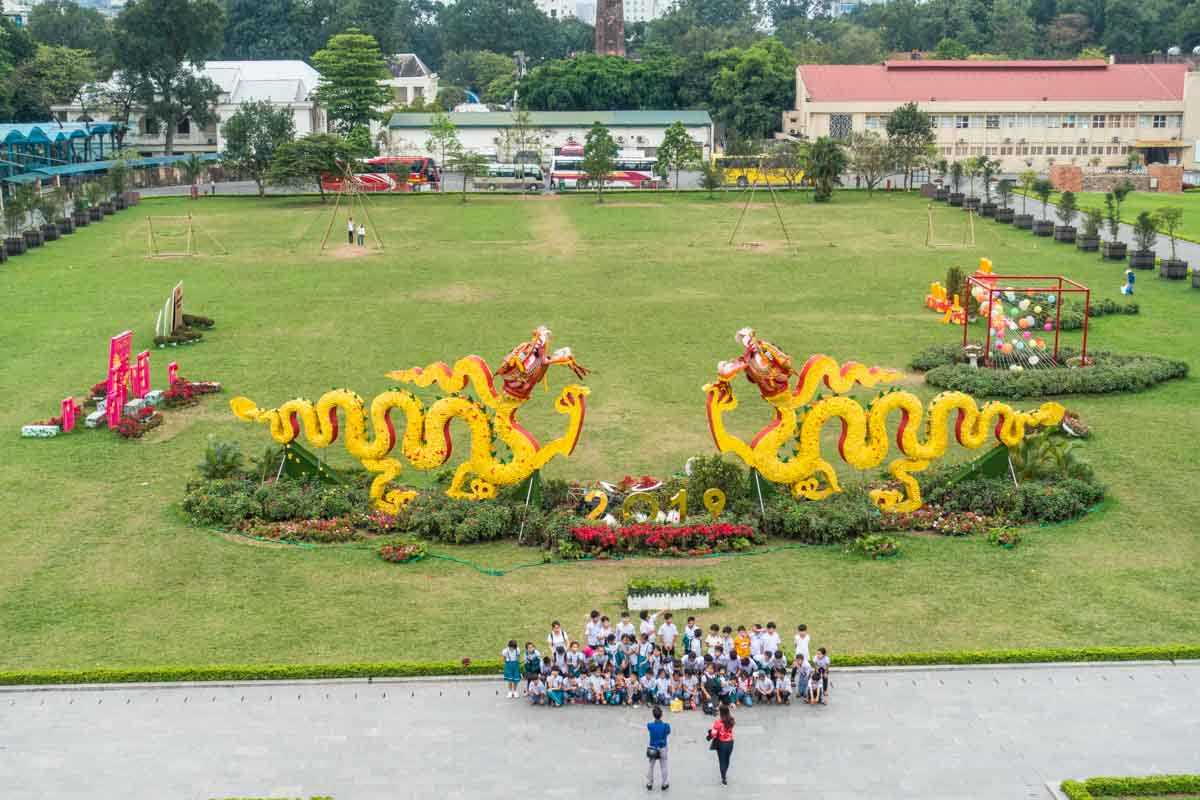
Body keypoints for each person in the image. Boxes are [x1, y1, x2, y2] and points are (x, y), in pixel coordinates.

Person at [707, 703, 736, 785]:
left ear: (721, 712)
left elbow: (713, 734)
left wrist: (709, 735)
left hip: (721, 743)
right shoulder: (732, 720)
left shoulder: (718, 722)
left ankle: (723, 776)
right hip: (730, 742)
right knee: (727, 759)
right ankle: (725, 771)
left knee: (722, 760)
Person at [646, 705, 671, 791]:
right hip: (662, 747)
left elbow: (649, 728)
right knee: (664, 766)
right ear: (661, 715)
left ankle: (649, 783)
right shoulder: (666, 726)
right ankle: (664, 783)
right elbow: (668, 732)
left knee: (651, 766)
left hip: (653, 747)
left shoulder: (650, 725)